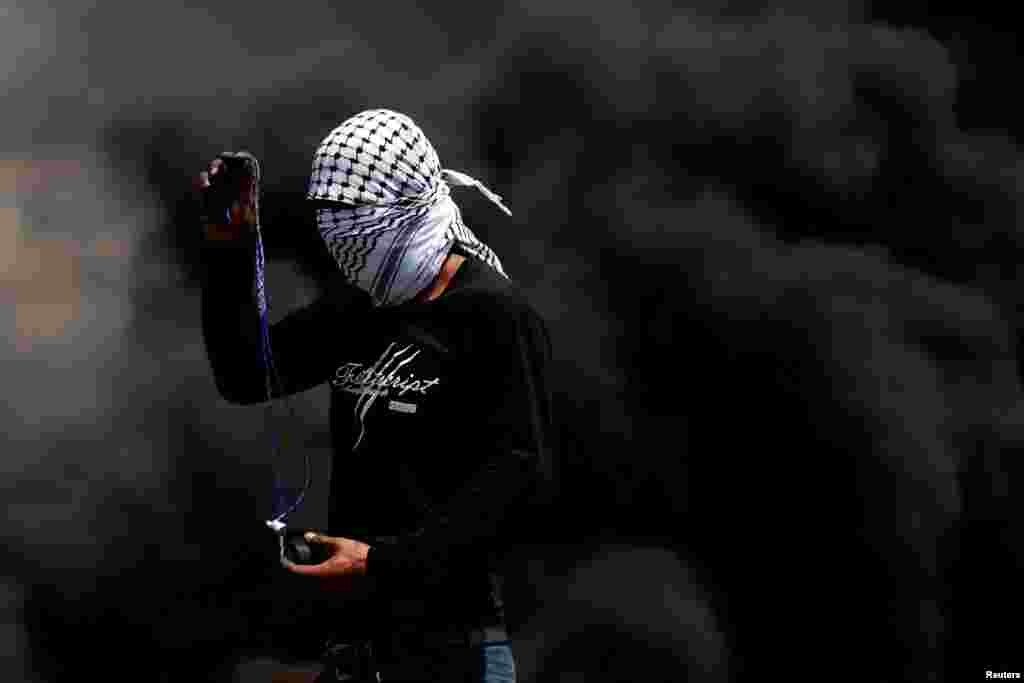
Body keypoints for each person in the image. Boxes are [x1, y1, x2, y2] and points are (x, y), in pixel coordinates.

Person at [196, 109, 555, 682]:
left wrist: (382, 562)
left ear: (412, 205)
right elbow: (246, 375)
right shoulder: (359, 307)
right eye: (330, 217)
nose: (339, 234)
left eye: (353, 217)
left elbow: (521, 477)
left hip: (451, 649)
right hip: (358, 649)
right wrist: (228, 246)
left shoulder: (493, 314)